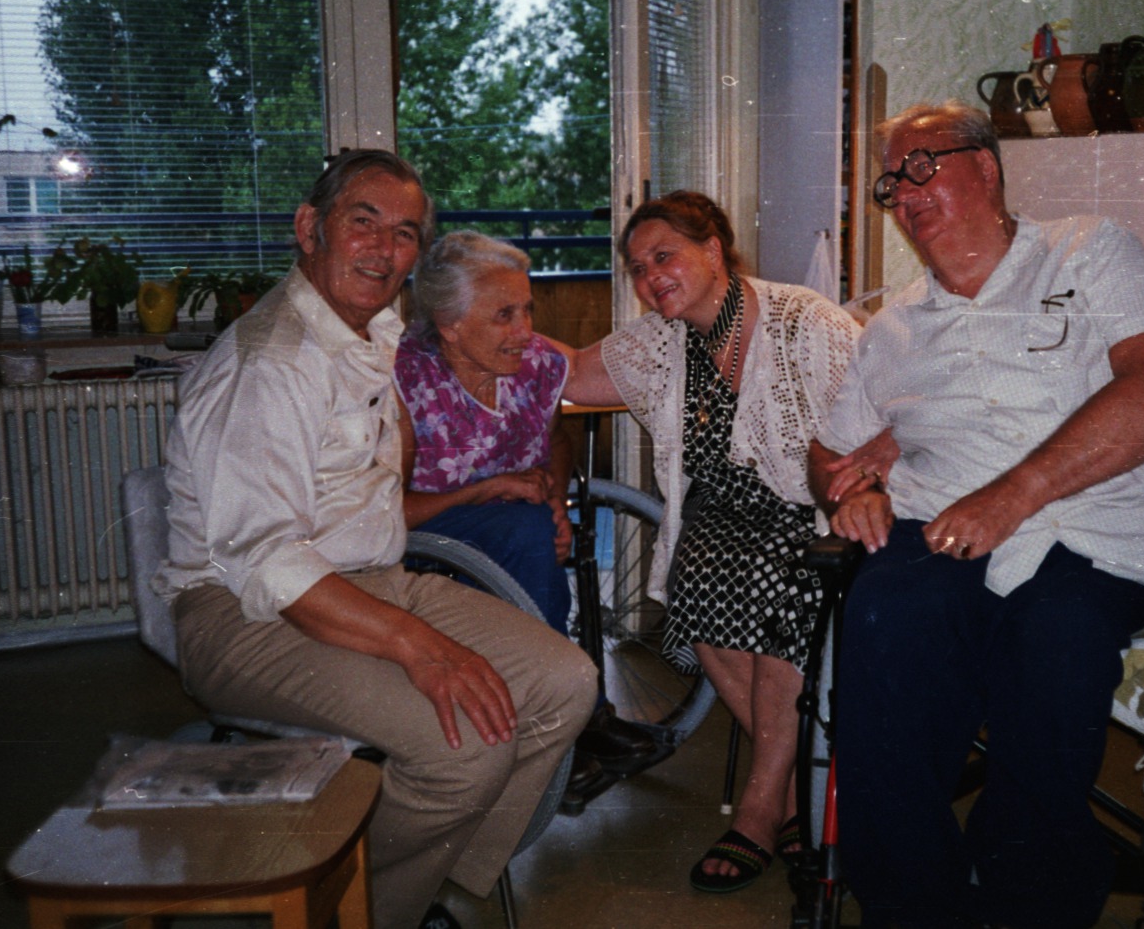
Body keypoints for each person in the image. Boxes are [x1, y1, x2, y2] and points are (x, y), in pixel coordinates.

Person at [158, 150, 596, 929]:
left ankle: (432, 882)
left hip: (368, 577)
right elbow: (269, 560)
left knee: (565, 680)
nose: (384, 247)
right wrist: (421, 647)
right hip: (243, 612)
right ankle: (359, 912)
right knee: (461, 747)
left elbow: (509, 372)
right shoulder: (272, 361)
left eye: (404, 232)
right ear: (308, 227)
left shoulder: (373, 331)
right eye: (363, 220)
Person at [808, 102, 1144, 929]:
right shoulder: (892, 325)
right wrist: (855, 490)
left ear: (984, 168)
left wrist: (1013, 495)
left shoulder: (1087, 250)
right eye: (891, 181)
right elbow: (828, 455)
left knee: (1054, 636)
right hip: (940, 530)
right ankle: (913, 902)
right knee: (882, 612)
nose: (904, 194)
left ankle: (1033, 900)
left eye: (923, 167)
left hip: (1094, 527)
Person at [556, 190, 859, 893]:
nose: (649, 276)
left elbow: (874, 407)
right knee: (693, 578)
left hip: (807, 512)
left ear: (713, 249)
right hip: (719, 517)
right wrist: (487, 326)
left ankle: (758, 807)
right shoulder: (660, 340)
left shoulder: (801, 319)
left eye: (664, 255)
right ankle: (791, 795)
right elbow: (568, 372)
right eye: (636, 267)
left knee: (776, 587)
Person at [392, 230, 659, 785]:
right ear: (449, 324)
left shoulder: (534, 366)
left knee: (534, 531)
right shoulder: (405, 381)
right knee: (525, 531)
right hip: (425, 543)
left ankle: (571, 718)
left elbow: (554, 440)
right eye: (504, 315)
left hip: (515, 530)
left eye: (527, 310)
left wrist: (556, 500)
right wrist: (485, 492)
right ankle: (561, 728)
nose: (526, 331)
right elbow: (385, 511)